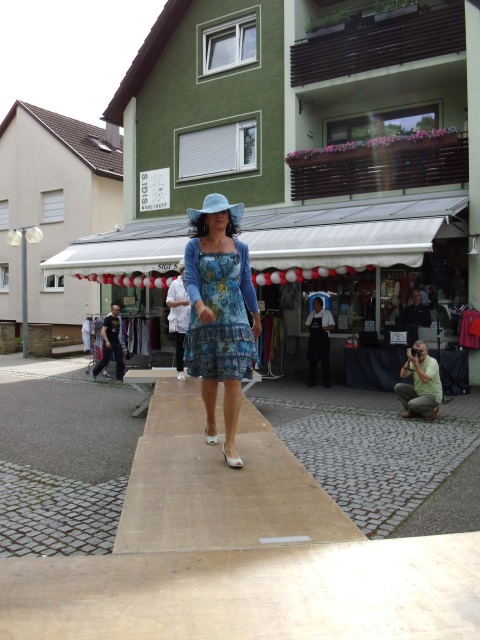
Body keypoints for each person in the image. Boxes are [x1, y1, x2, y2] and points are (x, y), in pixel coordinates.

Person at [183, 193, 262, 469]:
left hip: (236, 319)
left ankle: (230, 443)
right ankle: (211, 420)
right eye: (215, 212)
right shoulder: (194, 247)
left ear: (230, 218)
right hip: (204, 319)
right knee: (210, 375)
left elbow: (246, 284)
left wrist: (256, 317)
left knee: (233, 378)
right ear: (205, 218)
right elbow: (191, 280)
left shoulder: (241, 248)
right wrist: (199, 305)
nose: (220, 215)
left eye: (224, 212)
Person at [394, 340, 442, 421]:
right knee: (398, 387)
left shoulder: (432, 362)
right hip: (419, 392)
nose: (419, 353)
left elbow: (425, 379)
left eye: (421, 351)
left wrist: (415, 363)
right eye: (416, 351)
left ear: (427, 351)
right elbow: (403, 375)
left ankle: (433, 409)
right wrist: (409, 360)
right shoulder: (414, 361)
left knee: (412, 404)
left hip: (432, 395)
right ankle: (413, 411)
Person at [166, 259, 190, 381]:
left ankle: (196, 369)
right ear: (181, 272)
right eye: (186, 271)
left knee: (195, 346)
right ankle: (180, 371)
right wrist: (180, 302)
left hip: (192, 320)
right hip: (180, 320)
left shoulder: (194, 283)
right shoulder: (175, 284)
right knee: (180, 346)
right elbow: (169, 302)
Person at [305, 296, 335, 388]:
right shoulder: (312, 314)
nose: (313, 305)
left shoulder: (327, 313)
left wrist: (325, 328)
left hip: (323, 341)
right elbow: (307, 325)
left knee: (325, 361)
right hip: (313, 341)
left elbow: (333, 326)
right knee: (312, 362)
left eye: (314, 303)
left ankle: (327, 382)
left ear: (319, 304)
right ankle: (312, 381)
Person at [91, 303, 125, 382]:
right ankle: (94, 373)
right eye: (116, 310)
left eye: (119, 310)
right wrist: (107, 341)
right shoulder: (108, 319)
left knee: (120, 359)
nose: (118, 311)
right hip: (108, 342)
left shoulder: (117, 319)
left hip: (116, 342)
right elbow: (103, 331)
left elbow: (117, 331)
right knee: (105, 360)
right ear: (112, 310)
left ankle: (119, 378)